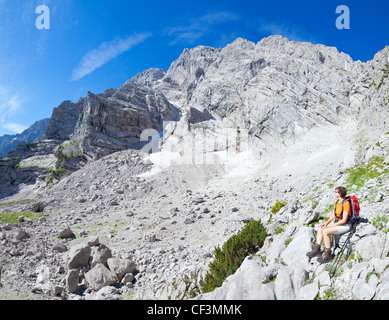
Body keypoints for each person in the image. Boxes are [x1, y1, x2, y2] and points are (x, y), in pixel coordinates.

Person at [306, 186, 352, 264]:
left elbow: (344, 220)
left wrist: (331, 225)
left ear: (340, 193)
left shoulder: (346, 203)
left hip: (346, 225)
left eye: (336, 191)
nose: (334, 193)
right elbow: (334, 214)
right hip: (338, 223)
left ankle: (328, 254)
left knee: (326, 231)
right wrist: (327, 222)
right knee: (321, 227)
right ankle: (316, 249)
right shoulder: (337, 202)